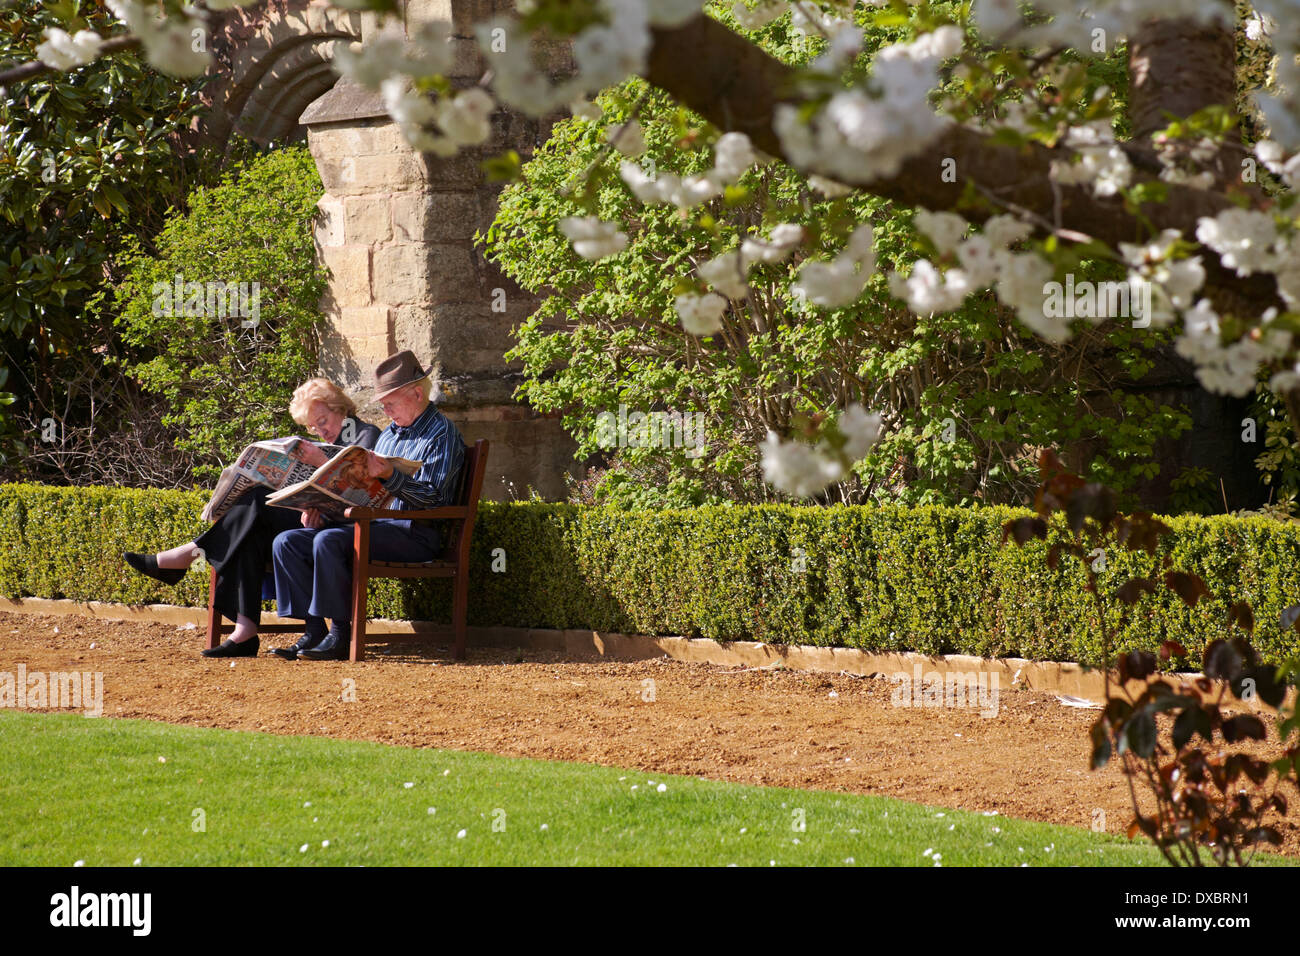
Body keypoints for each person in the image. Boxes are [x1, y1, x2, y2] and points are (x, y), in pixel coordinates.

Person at [123, 378, 381, 659]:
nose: (321, 431)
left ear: (340, 408)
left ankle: (188, 555)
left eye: (323, 421)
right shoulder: (324, 440)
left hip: (350, 524)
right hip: (318, 520)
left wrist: (319, 462)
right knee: (251, 530)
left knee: (257, 502)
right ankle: (245, 632)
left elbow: (360, 488)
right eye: (312, 427)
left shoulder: (365, 434)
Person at [271, 350, 466, 661]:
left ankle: (340, 635)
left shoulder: (441, 433)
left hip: (415, 532)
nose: (385, 411)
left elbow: (435, 499)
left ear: (416, 394)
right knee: (288, 541)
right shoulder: (389, 434)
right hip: (377, 525)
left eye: (389, 402)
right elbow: (364, 492)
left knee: (329, 540)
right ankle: (314, 631)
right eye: (383, 405)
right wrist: (325, 507)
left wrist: (390, 475)